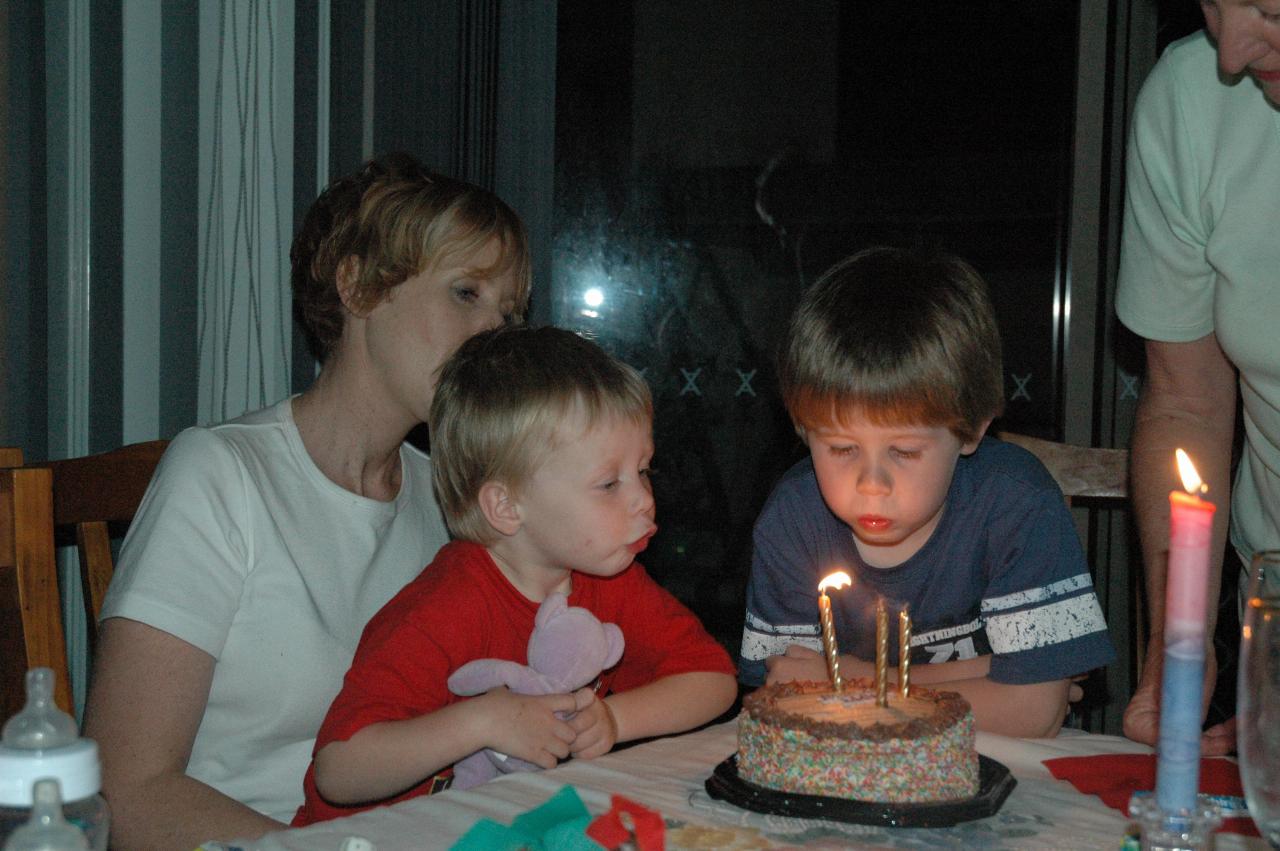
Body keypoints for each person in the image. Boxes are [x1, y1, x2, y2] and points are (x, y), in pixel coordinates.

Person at [82, 152, 530, 850]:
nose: (494, 336)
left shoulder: (454, 507)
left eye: (507, 312)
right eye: (466, 292)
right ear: (356, 286)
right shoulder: (222, 476)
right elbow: (126, 790)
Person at [291, 325, 737, 825]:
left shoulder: (610, 580)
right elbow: (339, 770)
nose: (643, 499)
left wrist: (613, 719)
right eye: (609, 483)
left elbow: (713, 680)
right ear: (506, 506)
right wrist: (481, 720)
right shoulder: (442, 610)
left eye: (644, 470)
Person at [738, 245, 1116, 738]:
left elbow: (1032, 714)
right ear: (805, 431)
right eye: (842, 449)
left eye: (906, 452)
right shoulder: (793, 521)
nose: (872, 483)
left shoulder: (1014, 503)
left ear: (971, 431)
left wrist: (855, 681)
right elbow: (780, 700)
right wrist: (988, 676)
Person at [1115, 2, 1280, 756]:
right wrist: (1175, 642)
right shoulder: (1188, 100)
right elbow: (1187, 400)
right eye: (1216, 4)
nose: (1233, 50)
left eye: (1272, 10)